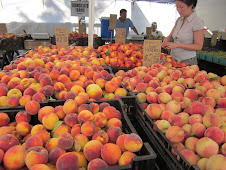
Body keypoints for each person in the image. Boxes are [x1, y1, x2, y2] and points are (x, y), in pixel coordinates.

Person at [162, 0, 204, 65]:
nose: (178, 10)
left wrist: (177, 45)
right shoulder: (179, 20)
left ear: (191, 5)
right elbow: (170, 36)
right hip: (173, 59)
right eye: (177, 7)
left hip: (187, 61)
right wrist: (166, 39)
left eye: (181, 7)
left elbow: (198, 46)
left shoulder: (197, 22)